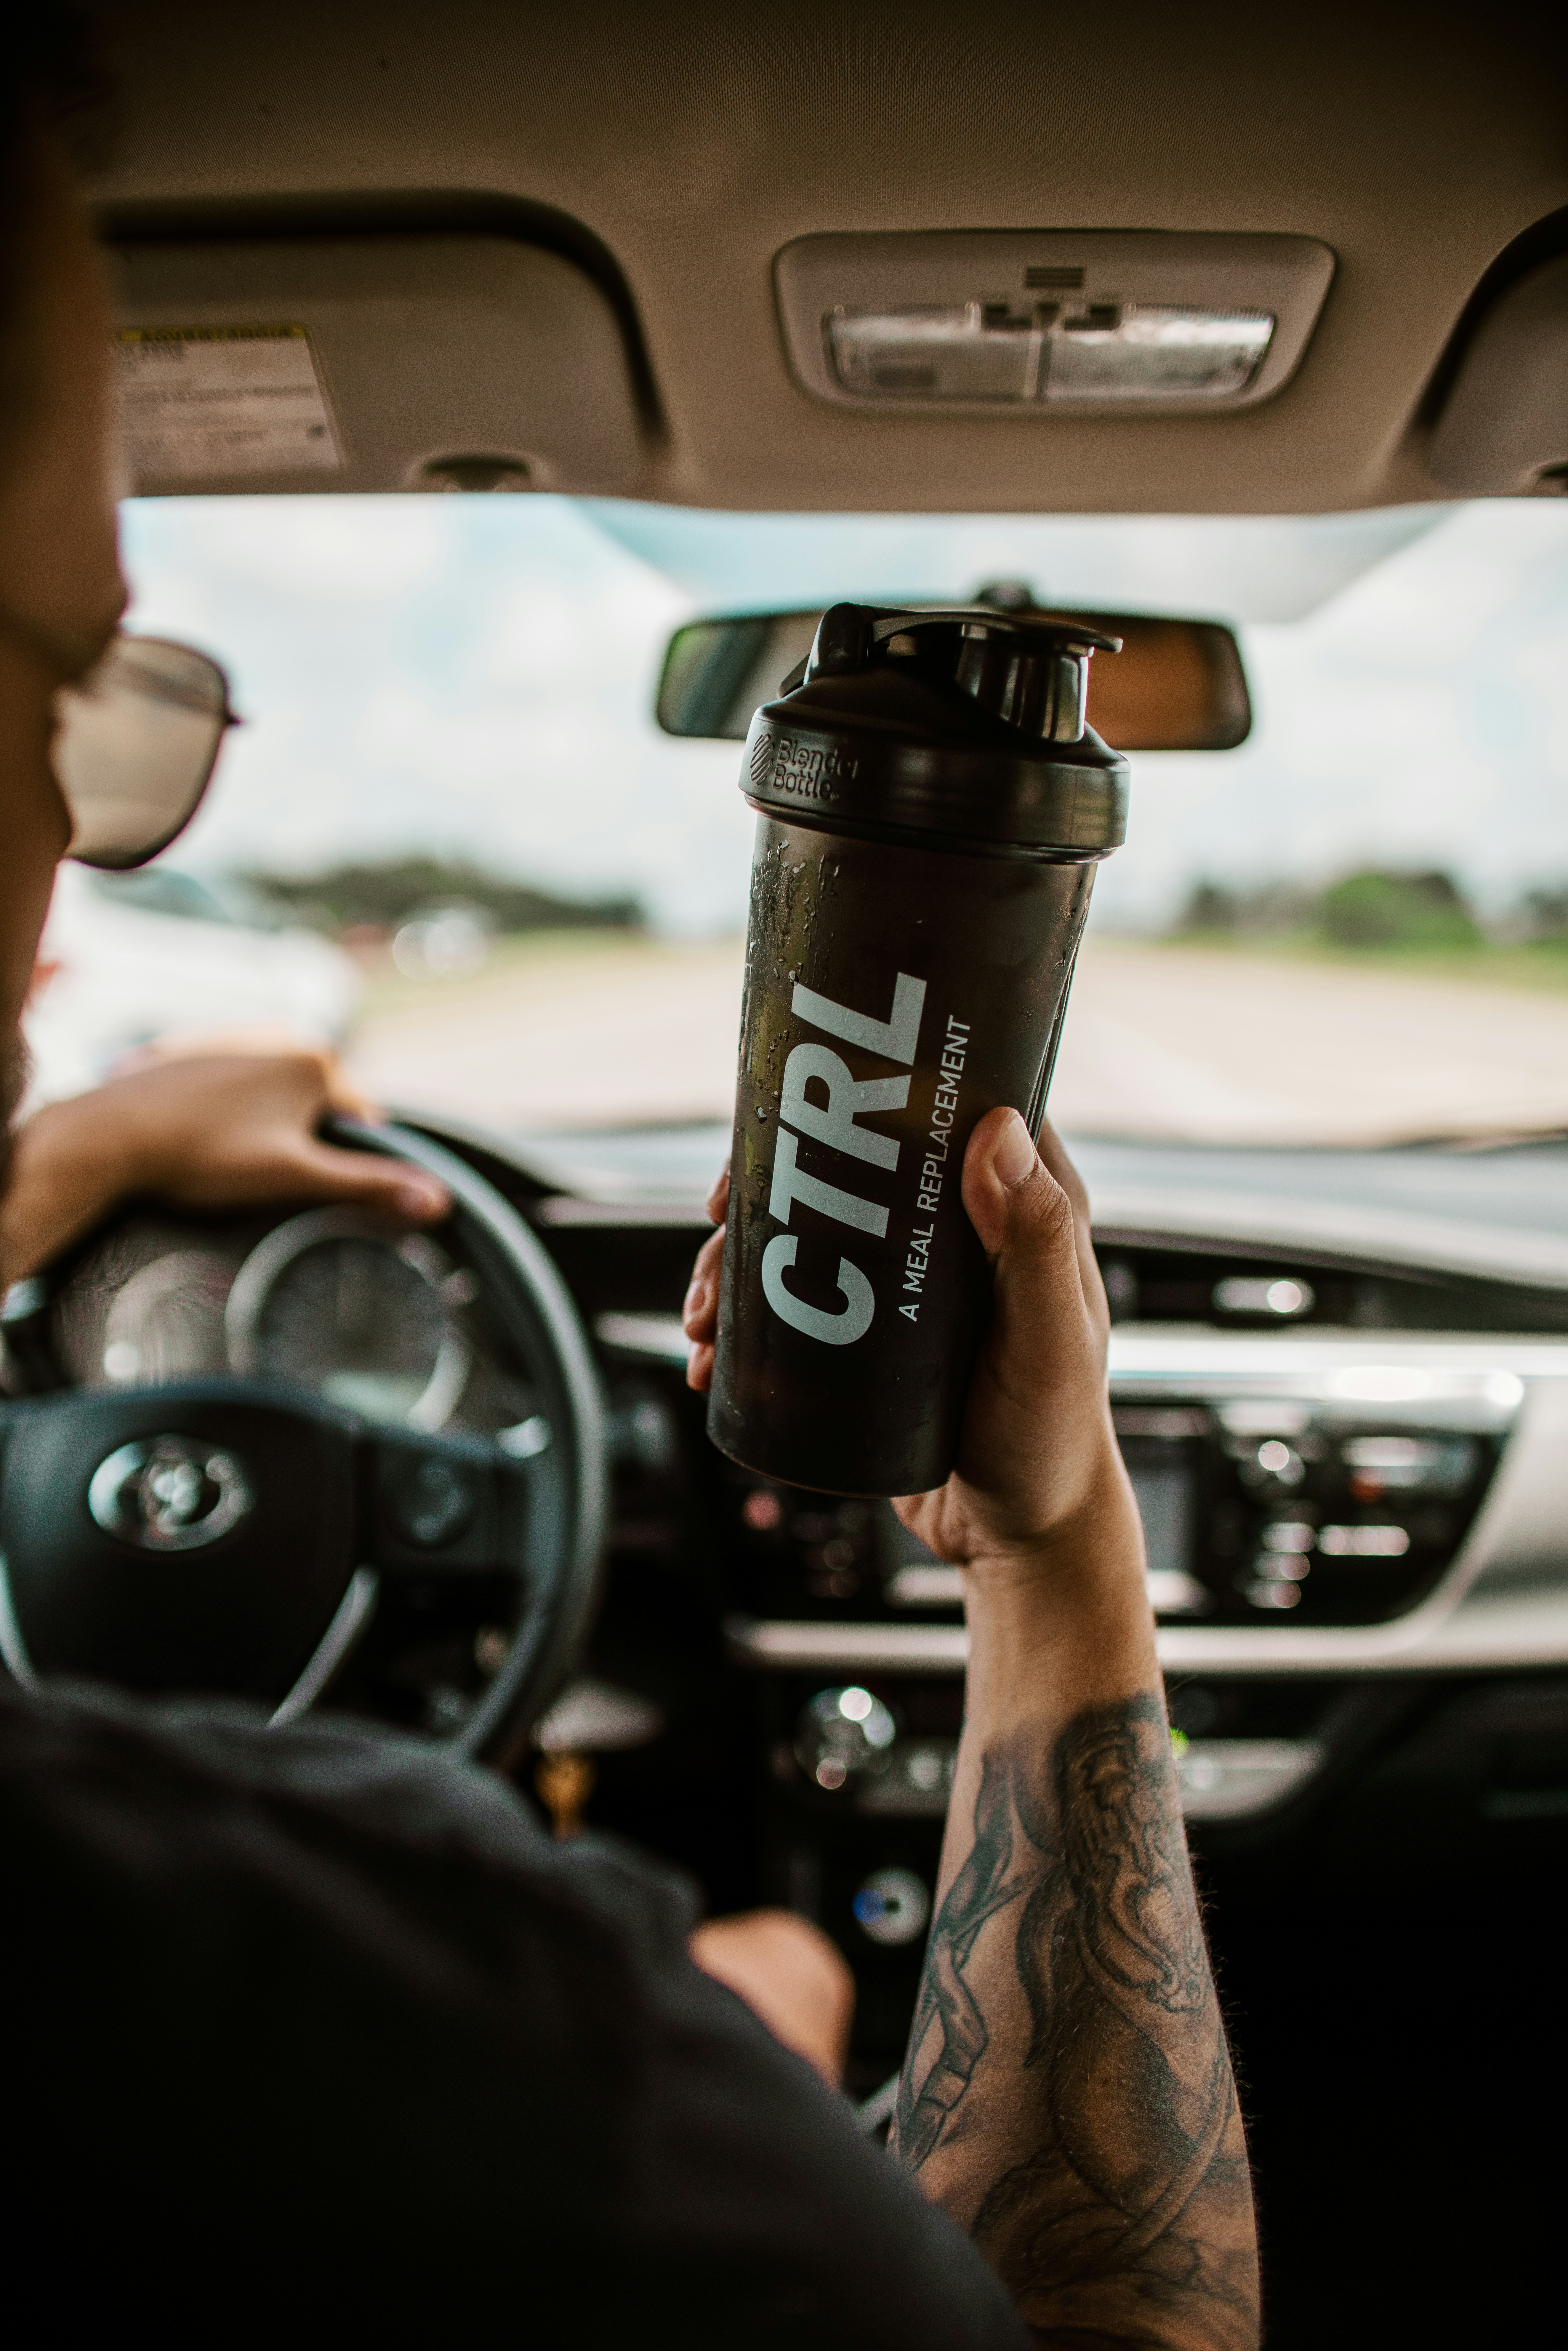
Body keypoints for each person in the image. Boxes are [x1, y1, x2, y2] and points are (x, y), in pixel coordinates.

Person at [0, 28, 1259, 2346]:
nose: (67, 874)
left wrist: (66, 1161)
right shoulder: (442, 2026)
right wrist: (1063, 1556)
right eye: (56, 692)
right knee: (787, 1965)